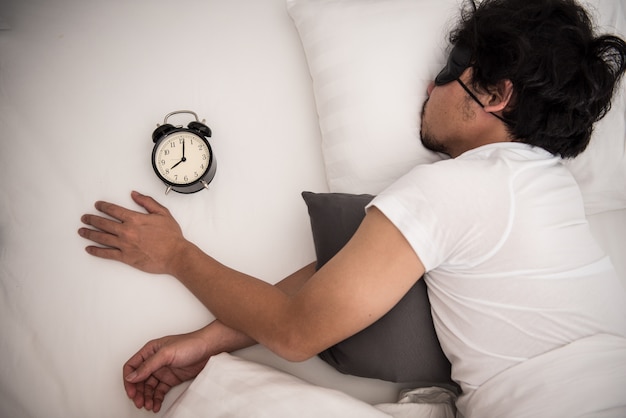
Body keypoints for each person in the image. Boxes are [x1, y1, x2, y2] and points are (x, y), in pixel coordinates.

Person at [78, 0, 626, 415]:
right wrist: (211, 339)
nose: (426, 87)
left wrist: (176, 254)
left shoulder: (457, 187)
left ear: (495, 96)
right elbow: (352, 276)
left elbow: (297, 333)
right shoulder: (544, 186)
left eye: (446, 72)